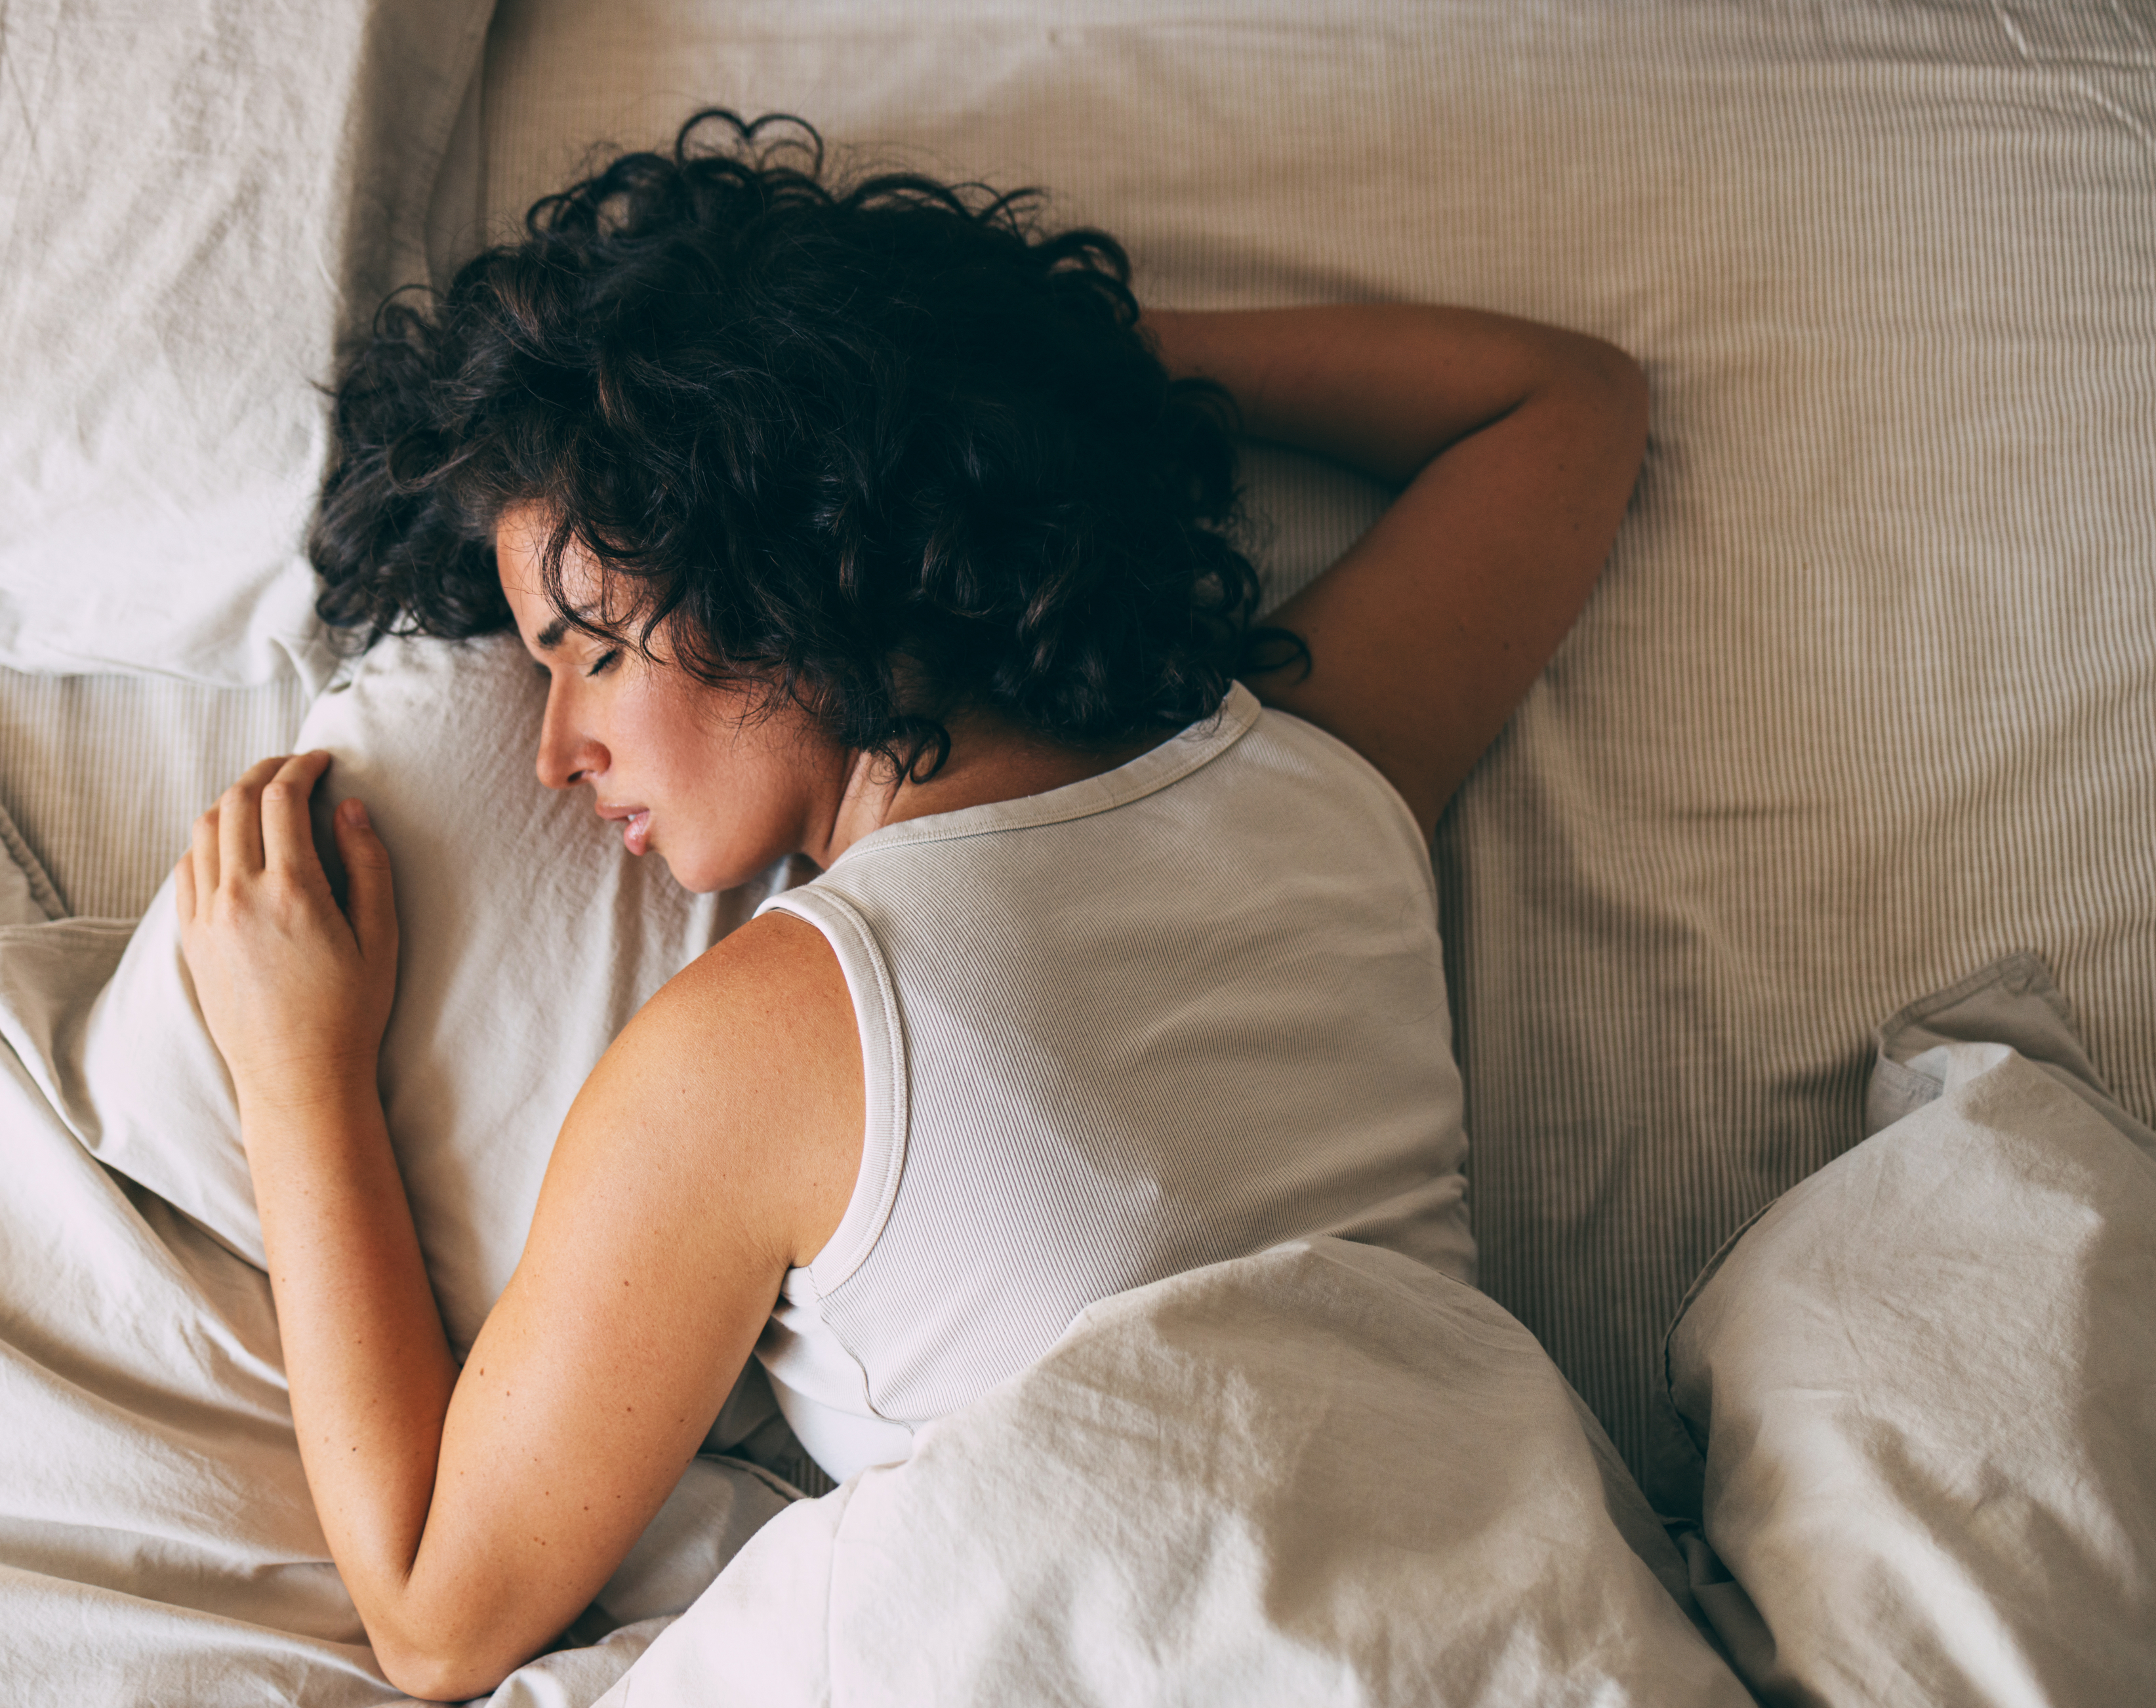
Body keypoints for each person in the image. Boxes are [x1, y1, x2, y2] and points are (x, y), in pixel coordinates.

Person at [173, 112, 1647, 1699]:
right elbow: (1559, 403)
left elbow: (432, 1614)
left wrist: (295, 1070)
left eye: (590, 651)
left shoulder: (767, 1041)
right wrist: (1001, 378)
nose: (553, 751)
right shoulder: (1314, 763)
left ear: (792, 550)